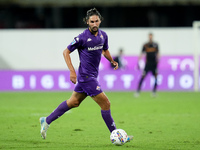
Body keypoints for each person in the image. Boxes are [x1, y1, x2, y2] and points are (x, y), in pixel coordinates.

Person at [39, 8, 133, 143]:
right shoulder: (81, 38)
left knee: (74, 102)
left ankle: (46, 120)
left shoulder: (103, 35)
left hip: (92, 76)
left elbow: (104, 50)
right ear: (87, 22)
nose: (94, 24)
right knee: (106, 103)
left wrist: (112, 61)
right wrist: (72, 71)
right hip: (86, 77)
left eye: (97, 21)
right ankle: (117, 136)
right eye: (92, 22)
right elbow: (66, 52)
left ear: (100, 21)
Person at [135, 33, 160, 97]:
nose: (150, 38)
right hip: (147, 64)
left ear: (152, 37)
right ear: (148, 37)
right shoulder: (145, 45)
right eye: (149, 36)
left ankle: (154, 92)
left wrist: (158, 60)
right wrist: (138, 61)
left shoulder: (156, 45)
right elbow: (141, 54)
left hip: (154, 65)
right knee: (143, 77)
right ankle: (138, 91)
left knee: (156, 78)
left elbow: (158, 54)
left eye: (151, 36)